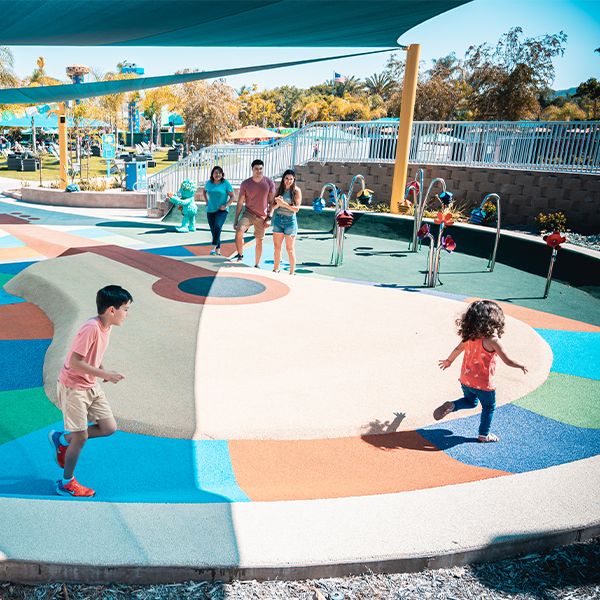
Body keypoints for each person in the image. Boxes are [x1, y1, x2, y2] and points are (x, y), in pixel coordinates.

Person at [48, 285, 133, 497]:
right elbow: (75, 362)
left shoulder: (107, 327)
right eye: (125, 309)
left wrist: (102, 371)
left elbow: (94, 352)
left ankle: (61, 440)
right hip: (74, 387)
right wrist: (106, 375)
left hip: (90, 384)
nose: (127, 314)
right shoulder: (91, 328)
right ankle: (66, 482)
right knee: (81, 437)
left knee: (108, 427)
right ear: (111, 310)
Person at [433, 300, 527, 443]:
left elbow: (458, 349)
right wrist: (520, 365)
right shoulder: (493, 341)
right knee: (489, 407)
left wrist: (448, 361)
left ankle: (453, 406)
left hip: (466, 379)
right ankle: (484, 434)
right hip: (484, 384)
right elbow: (507, 361)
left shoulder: (469, 337)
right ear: (495, 320)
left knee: (471, 402)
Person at [233, 159, 275, 266]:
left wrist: (269, 218)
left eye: (261, 169)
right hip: (248, 213)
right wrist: (236, 220)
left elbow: (272, 202)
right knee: (239, 231)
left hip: (262, 216)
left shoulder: (269, 183)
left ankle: (256, 264)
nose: (259, 171)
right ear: (252, 169)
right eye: (256, 169)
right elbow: (240, 202)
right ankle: (240, 255)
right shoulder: (246, 184)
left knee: (259, 241)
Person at [271, 169, 302, 275]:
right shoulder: (279, 190)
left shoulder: (296, 191)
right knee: (277, 247)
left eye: (291, 179)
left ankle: (292, 272)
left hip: (290, 222)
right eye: (286, 178)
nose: (288, 181)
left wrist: (283, 203)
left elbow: (296, 209)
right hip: (278, 220)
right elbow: (273, 206)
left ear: (294, 180)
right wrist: (278, 204)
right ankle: (275, 269)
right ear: (283, 179)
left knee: (290, 249)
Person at [203, 166, 235, 255]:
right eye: (215, 173)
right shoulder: (209, 183)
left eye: (219, 173)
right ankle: (218, 250)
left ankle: (213, 247)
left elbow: (233, 196)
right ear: (212, 174)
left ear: (222, 174)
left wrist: (226, 205)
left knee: (217, 226)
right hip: (210, 210)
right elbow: (204, 191)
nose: (217, 175)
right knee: (214, 230)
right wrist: (206, 201)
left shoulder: (225, 183)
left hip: (222, 211)